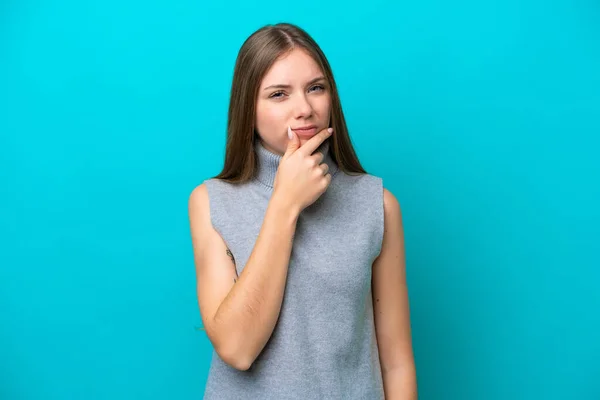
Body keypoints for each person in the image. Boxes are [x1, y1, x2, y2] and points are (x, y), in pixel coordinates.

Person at [188, 22, 417, 399]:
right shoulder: (212, 202)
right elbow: (237, 348)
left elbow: (397, 363)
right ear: (249, 107)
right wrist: (285, 203)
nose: (305, 109)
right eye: (278, 94)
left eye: (316, 88)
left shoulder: (377, 205)